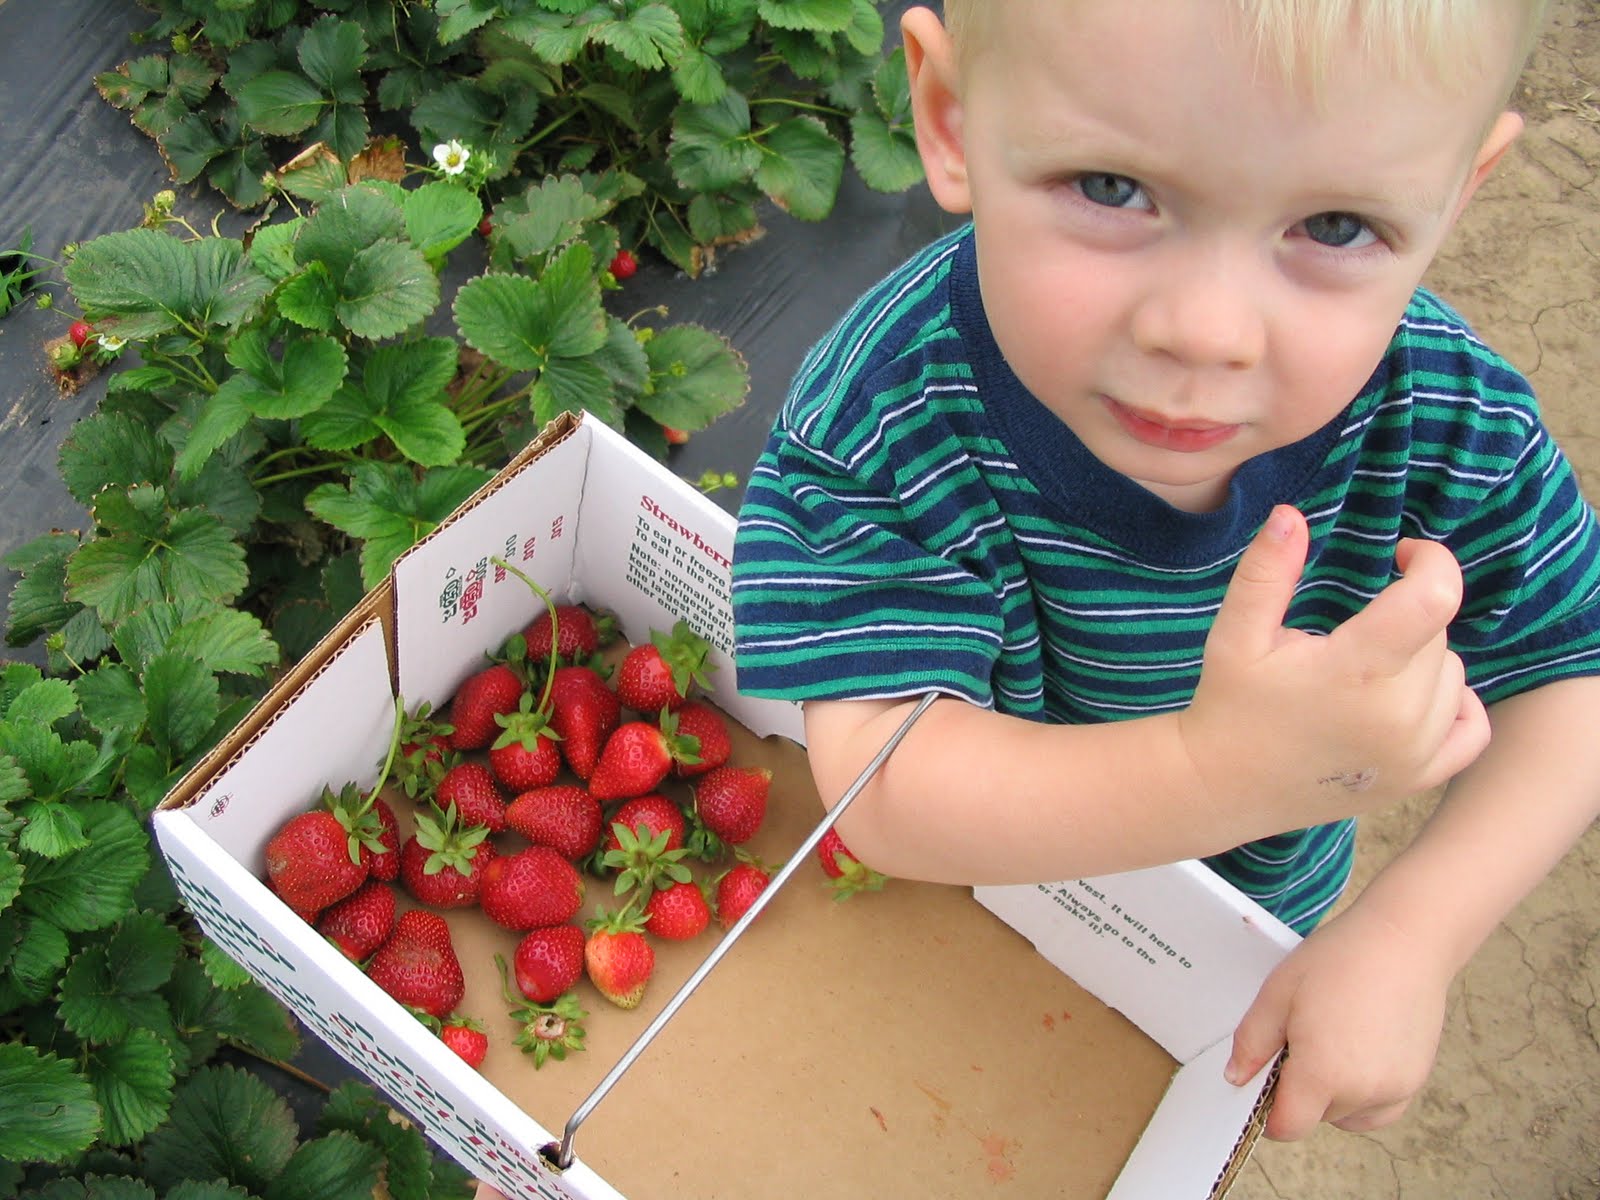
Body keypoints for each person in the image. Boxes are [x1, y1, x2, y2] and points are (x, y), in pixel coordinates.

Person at [729, 0, 1600, 1142]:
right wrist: (1223, 771)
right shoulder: (887, 419)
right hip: (959, 905)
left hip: (1227, 947)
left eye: (1335, 225)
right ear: (949, 118)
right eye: (1109, 188)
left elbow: (1569, 682)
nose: (1207, 332)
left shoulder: (1443, 419)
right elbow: (881, 787)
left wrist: (1410, 936)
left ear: (1455, 193)